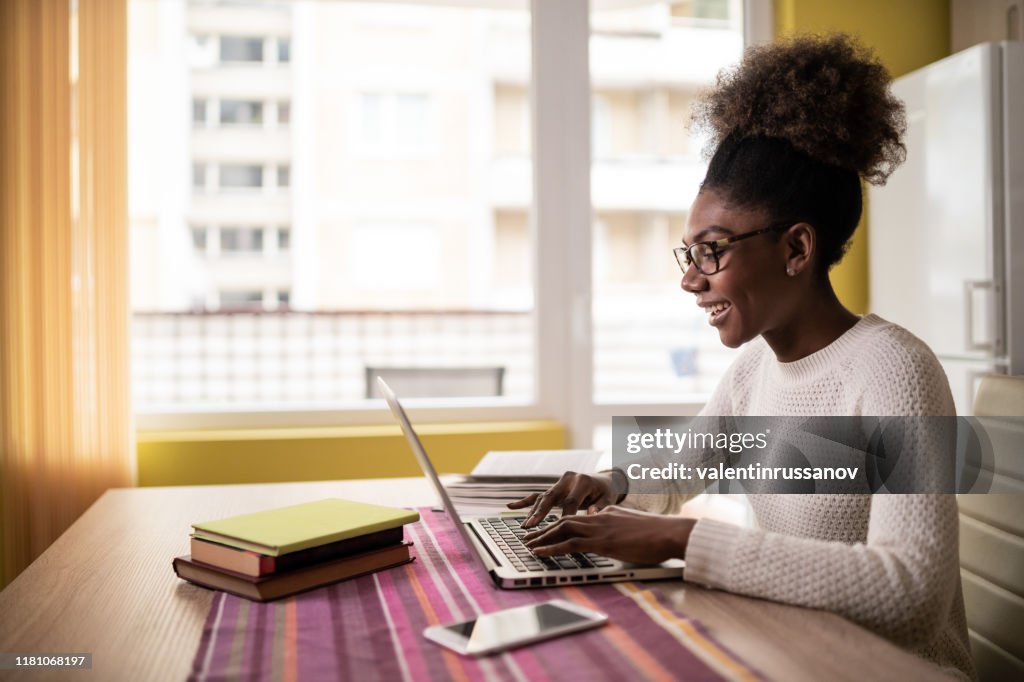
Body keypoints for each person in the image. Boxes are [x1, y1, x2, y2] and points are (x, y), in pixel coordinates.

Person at [510, 34, 976, 680]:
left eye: (714, 250)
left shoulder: (895, 371)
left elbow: (910, 589)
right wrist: (609, 481)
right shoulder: (756, 370)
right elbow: (683, 463)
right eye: (689, 253)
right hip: (799, 656)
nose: (691, 279)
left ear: (796, 248)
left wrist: (682, 540)